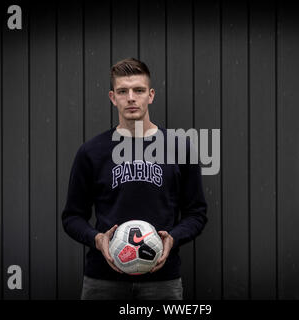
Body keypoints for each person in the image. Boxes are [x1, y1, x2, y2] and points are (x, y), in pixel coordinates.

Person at [61, 57, 207, 300]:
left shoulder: (180, 147)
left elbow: (197, 213)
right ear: (112, 97)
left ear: (151, 95)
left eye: (138, 90)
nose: (131, 97)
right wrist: (97, 239)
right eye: (122, 91)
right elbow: (72, 217)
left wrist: (173, 239)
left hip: (162, 281)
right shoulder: (91, 152)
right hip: (103, 281)